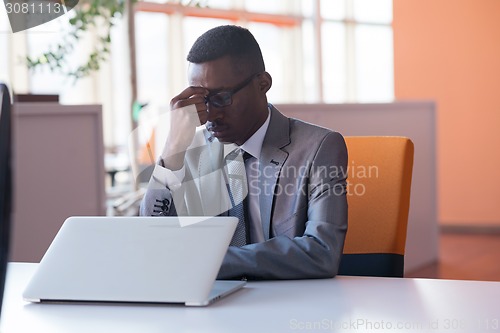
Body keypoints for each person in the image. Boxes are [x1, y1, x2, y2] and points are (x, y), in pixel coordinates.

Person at [140, 25, 348, 280]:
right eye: (199, 101)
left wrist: (211, 262)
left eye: (221, 97)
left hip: (289, 305)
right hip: (209, 305)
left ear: (263, 84)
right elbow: (151, 237)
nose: (210, 115)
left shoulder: (319, 147)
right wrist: (172, 149)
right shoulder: (189, 151)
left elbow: (322, 253)